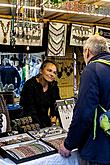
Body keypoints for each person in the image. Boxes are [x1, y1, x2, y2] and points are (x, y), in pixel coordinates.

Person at [58, 34, 110, 165]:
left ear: (87, 51)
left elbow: (83, 113)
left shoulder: (92, 69)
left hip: (98, 150)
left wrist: (68, 144)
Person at [20, 60, 60, 128]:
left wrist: (54, 116)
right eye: (49, 70)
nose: (52, 74)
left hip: (45, 122)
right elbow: (29, 108)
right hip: (29, 123)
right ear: (41, 71)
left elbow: (56, 104)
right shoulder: (30, 85)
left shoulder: (53, 86)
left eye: (54, 72)